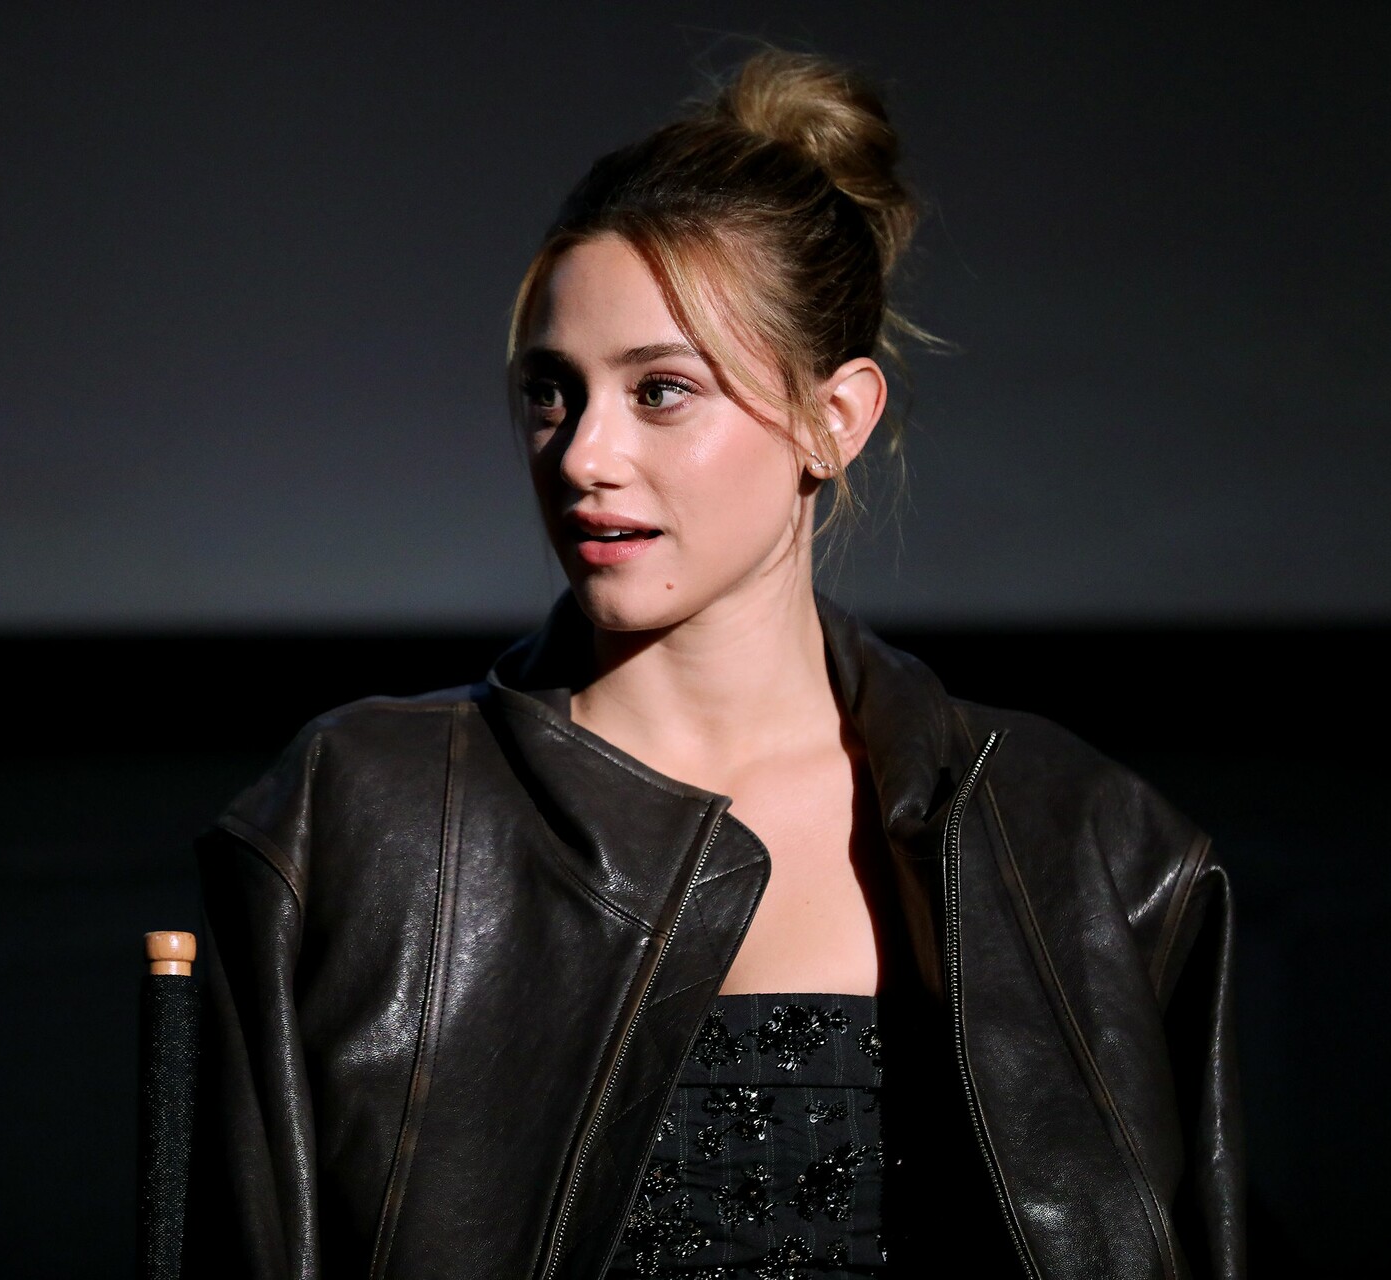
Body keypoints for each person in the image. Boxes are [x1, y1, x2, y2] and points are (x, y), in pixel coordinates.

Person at [183, 47, 1244, 1280]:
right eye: (552, 391)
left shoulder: (1088, 843)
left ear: (833, 419)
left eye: (661, 390)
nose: (584, 454)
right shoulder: (358, 818)